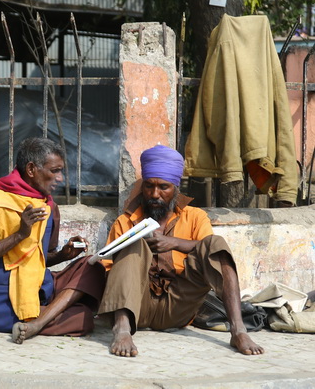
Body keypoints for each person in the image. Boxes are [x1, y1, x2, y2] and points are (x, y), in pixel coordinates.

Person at [98, 145, 264, 357]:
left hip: (178, 305)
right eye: (148, 186)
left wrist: (173, 243)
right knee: (132, 241)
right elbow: (109, 270)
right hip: (135, 307)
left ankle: (238, 331)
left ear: (176, 188)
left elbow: (209, 250)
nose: (154, 194)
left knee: (217, 244)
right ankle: (121, 330)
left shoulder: (195, 216)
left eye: (163, 187)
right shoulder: (125, 220)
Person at [0, 137, 105, 344]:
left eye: (61, 171)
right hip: (5, 302)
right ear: (31, 169)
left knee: (93, 266)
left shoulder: (48, 206)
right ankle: (39, 319)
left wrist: (63, 255)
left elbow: (37, 259)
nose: (60, 178)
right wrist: (20, 234)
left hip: (40, 286)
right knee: (83, 318)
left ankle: (37, 323)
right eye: (54, 171)